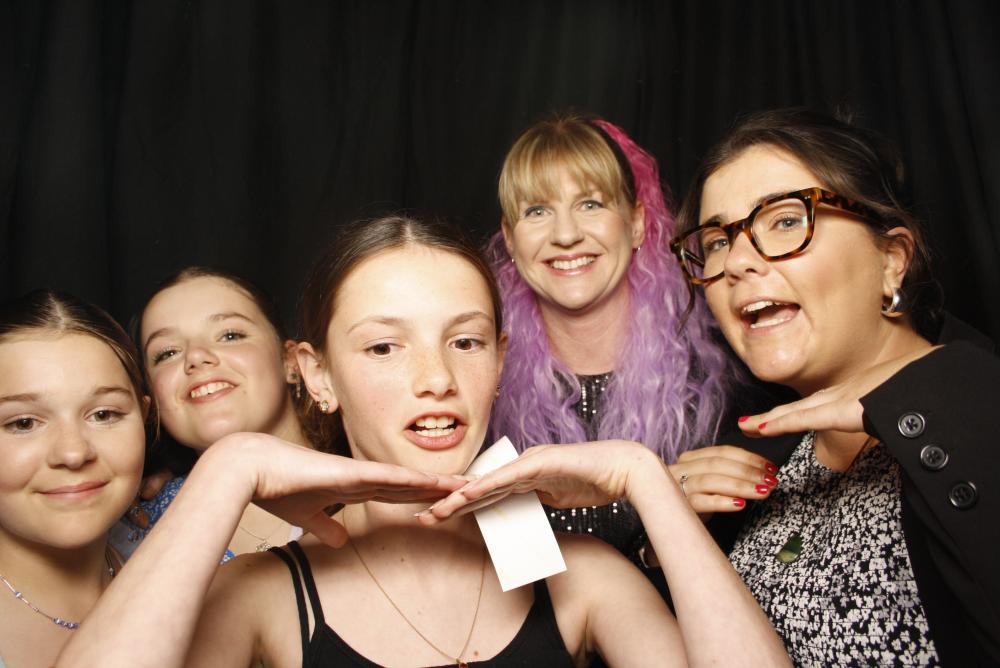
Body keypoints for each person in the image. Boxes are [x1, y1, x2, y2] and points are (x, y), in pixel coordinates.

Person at [57, 215, 789, 667]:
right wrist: (229, 468)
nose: (436, 378)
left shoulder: (578, 577)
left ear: (499, 362)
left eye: (465, 342)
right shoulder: (259, 597)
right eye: (384, 348)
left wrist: (643, 476)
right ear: (317, 375)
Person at [666, 107, 1000, 664]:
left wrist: (921, 397)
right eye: (718, 241)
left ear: (891, 260)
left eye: (785, 220)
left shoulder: (980, 408)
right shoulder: (763, 454)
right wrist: (668, 538)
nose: (738, 262)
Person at [487, 114, 750, 560]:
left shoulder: (718, 383)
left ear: (636, 224)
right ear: (511, 239)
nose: (566, 235)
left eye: (590, 204)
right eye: (537, 211)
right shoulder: (481, 389)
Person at [114, 267, 317, 559]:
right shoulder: (133, 537)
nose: (195, 356)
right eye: (167, 353)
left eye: (230, 335)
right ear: (152, 399)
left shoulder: (377, 485)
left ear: (291, 362)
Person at [0, 290, 151, 668]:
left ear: (144, 418)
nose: (73, 453)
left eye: (104, 415)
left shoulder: (183, 571)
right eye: (23, 423)